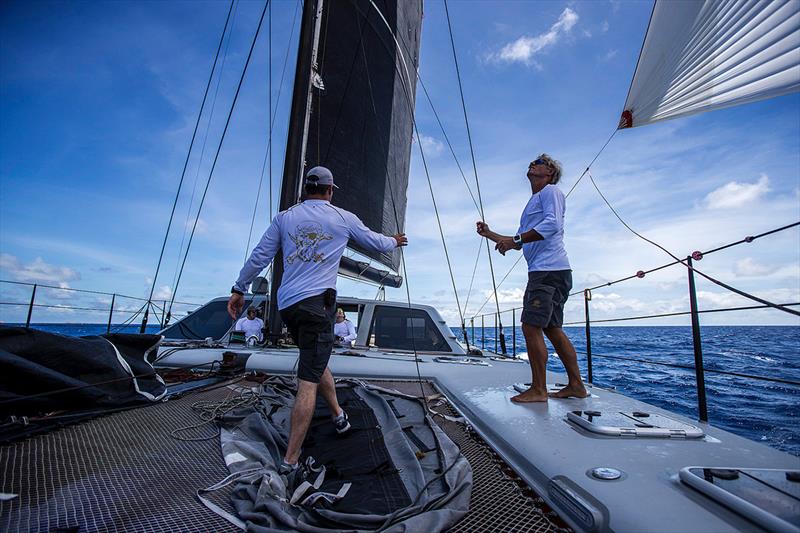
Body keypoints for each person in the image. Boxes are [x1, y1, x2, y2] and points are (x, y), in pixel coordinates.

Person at [227, 166, 408, 473]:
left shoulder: (285, 218)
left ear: (305, 189)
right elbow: (376, 242)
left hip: (288, 306)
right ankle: (291, 460)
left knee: (315, 360)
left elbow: (260, 256)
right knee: (307, 382)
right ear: (330, 190)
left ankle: (338, 416)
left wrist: (238, 289)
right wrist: (395, 240)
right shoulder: (342, 217)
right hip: (317, 307)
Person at [476, 153, 588, 403]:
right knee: (552, 328)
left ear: (549, 172)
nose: (532, 163)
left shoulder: (551, 192)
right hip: (553, 271)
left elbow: (552, 226)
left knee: (530, 325)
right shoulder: (533, 201)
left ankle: (539, 389)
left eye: (539, 162)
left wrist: (515, 240)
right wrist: (490, 234)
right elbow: (517, 242)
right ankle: (577, 385)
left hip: (547, 271)